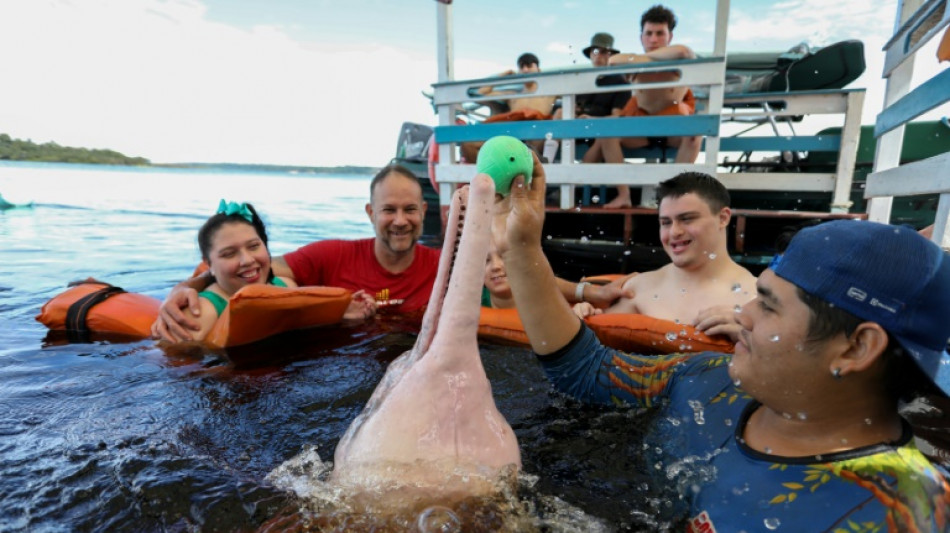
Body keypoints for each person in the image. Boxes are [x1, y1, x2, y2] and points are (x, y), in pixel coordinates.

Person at [498, 154, 950, 530]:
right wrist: (521, 247)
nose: (743, 314)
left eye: (768, 305)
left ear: (856, 348)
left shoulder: (905, 516)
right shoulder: (703, 379)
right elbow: (584, 369)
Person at [153, 164, 623, 341]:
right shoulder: (331, 255)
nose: (400, 220)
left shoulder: (444, 265)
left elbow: (511, 279)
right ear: (369, 212)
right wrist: (189, 286)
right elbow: (258, 274)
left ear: (424, 213)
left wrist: (583, 290)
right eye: (388, 210)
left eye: (409, 210)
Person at [572, 172, 756, 336]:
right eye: (666, 222)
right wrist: (584, 316)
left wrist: (750, 339)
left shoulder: (756, 298)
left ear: (723, 218)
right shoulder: (639, 289)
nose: (674, 232)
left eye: (687, 219)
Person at [188, 200, 375, 341]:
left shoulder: (285, 286)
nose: (247, 260)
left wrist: (343, 315)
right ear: (209, 264)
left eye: (253, 246)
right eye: (229, 254)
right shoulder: (203, 312)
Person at [586, 5, 702, 209]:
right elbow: (613, 60)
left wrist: (644, 59)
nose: (654, 39)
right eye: (648, 34)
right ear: (641, 37)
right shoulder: (633, 65)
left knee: (695, 134)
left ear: (670, 36)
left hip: (673, 129)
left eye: (660, 33)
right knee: (607, 132)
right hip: (642, 128)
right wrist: (647, 59)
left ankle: (674, 195)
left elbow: (683, 51)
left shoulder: (682, 60)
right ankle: (624, 195)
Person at [460, 53, 558, 163]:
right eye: (522, 67)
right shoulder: (512, 95)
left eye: (529, 66)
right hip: (512, 137)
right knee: (468, 144)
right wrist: (503, 76)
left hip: (537, 136)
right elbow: (480, 94)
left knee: (558, 116)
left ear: (538, 70)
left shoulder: (550, 92)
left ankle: (544, 163)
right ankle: (489, 174)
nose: (525, 70)